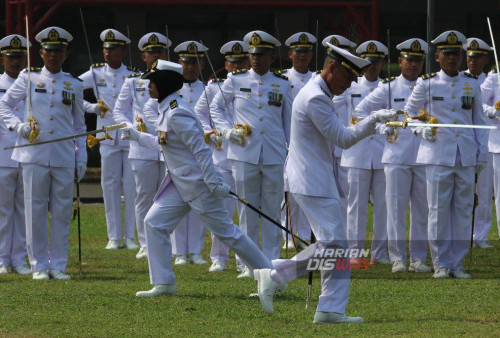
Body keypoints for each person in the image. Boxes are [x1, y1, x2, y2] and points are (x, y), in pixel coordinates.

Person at [252, 43, 397, 324]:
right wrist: (374, 119)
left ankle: (315, 298)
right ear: (331, 68)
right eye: (347, 77)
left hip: (314, 179)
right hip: (311, 180)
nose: (350, 84)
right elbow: (341, 138)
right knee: (337, 247)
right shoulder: (316, 98)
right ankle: (285, 280)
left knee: (335, 247)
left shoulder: (319, 94)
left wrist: (376, 125)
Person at [119, 60, 274, 297]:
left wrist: (212, 182)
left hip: (198, 184)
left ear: (164, 84)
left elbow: (200, 150)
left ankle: (271, 277)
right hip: (180, 183)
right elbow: (166, 145)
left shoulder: (177, 112)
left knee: (228, 233)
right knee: (154, 222)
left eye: (153, 81)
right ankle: (164, 283)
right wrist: (137, 136)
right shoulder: (167, 108)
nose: (148, 86)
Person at [0, 26, 87, 280]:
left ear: (65, 53)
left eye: (58, 51)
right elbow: (4, 104)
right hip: (33, 154)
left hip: (62, 155)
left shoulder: (73, 84)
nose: (54, 56)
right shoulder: (28, 79)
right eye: (49, 51)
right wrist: (19, 126)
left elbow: (79, 125)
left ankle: (58, 265)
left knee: (61, 211)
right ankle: (39, 264)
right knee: (34, 210)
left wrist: (80, 157)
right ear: (40, 53)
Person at [404, 30, 488, 279]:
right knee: (438, 209)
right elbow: (408, 115)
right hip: (438, 154)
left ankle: (457, 263)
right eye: (447, 54)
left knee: (463, 210)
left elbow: (479, 121)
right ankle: (440, 262)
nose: (452, 59)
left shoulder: (471, 84)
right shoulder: (427, 83)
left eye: (456, 54)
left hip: (465, 155)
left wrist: (481, 155)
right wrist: (423, 130)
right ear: (437, 56)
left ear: (461, 56)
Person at [210, 30, 292, 278]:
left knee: (270, 209)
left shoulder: (282, 83)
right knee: (246, 211)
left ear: (272, 56)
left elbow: (289, 123)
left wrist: (291, 150)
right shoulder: (235, 80)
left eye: (262, 54)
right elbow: (216, 107)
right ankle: (247, 264)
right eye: (253, 54)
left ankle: (271, 262)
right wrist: (226, 131)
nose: (256, 59)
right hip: (244, 152)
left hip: (274, 153)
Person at [353, 38, 431, 273]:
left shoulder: (429, 85)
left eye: (418, 60)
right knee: (395, 210)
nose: (414, 65)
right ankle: (397, 257)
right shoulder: (388, 87)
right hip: (396, 155)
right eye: (409, 60)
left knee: (421, 210)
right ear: (400, 61)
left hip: (424, 155)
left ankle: (418, 258)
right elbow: (360, 111)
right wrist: (379, 127)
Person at [194, 40, 250, 272]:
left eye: (241, 62)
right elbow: (199, 111)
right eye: (232, 63)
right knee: (222, 210)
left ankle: (244, 259)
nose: (236, 67)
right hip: (222, 156)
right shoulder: (213, 87)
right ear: (226, 64)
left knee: (247, 211)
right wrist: (209, 132)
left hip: (247, 154)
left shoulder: (251, 84)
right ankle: (219, 257)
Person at [113, 32, 170, 259]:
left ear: (165, 54)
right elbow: (119, 109)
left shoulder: (173, 80)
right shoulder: (132, 82)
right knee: (145, 196)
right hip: (142, 145)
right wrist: (130, 126)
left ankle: (165, 240)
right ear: (143, 55)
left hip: (168, 145)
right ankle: (146, 243)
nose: (154, 55)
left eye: (159, 52)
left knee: (167, 196)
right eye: (150, 52)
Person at [80, 28, 138, 250]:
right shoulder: (95, 74)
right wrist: (92, 108)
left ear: (122, 51)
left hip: (128, 136)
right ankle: (114, 236)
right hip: (105, 135)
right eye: (105, 48)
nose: (107, 52)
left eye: (112, 48)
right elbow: (71, 90)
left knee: (131, 186)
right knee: (109, 186)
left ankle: (130, 237)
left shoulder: (133, 76)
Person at [340, 40, 390, 264]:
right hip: (357, 151)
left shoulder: (388, 87)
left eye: (377, 62)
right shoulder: (350, 86)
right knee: (355, 206)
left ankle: (380, 253)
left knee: (383, 206)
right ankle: (354, 252)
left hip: (383, 151)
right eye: (368, 62)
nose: (372, 67)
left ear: (382, 63)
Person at [168, 40, 209, 265]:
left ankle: (195, 250)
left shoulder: (209, 89)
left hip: (199, 152)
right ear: (179, 63)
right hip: (177, 153)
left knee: (198, 202)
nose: (190, 67)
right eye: (186, 62)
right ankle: (179, 252)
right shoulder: (172, 89)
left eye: (194, 63)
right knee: (177, 201)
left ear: (201, 64)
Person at [280, 32, 316, 251]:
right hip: (287, 143)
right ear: (290, 53)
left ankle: (306, 235)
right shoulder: (282, 79)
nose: (302, 56)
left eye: (306, 52)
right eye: (298, 51)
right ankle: (289, 235)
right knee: (289, 193)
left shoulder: (317, 79)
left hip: (312, 145)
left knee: (309, 191)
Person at [0, 34, 31, 275]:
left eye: (19, 57)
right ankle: (2, 259)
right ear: (2, 59)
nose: (15, 62)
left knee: (23, 208)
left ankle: (20, 258)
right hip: (2, 154)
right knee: (3, 210)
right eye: (11, 57)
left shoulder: (33, 83)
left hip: (28, 152)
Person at [463, 38, 495, 249]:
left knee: (483, 191)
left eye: (477, 57)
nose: (472, 62)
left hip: (486, 142)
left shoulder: (491, 80)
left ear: (485, 58)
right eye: (470, 57)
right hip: (463, 143)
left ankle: (480, 236)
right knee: (462, 192)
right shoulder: (458, 80)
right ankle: (461, 234)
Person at [478, 41, 500, 247]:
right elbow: (479, 102)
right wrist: (494, 112)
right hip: (498, 142)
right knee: (497, 194)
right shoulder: (495, 78)